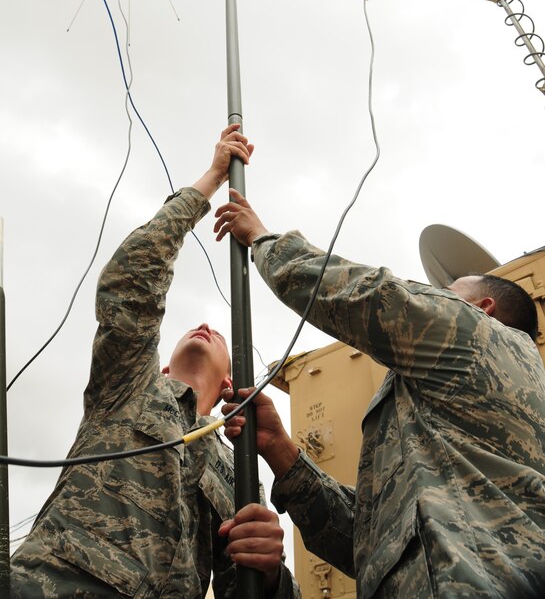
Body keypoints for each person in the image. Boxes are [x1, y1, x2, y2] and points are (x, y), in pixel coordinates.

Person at [10, 128, 299, 599]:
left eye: (218, 333)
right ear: (162, 368)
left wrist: (269, 575)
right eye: (192, 329)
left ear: (229, 379)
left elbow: (239, 587)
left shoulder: (239, 469)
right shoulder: (129, 385)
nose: (205, 325)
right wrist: (211, 179)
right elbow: (131, 279)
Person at [215, 189, 545, 598]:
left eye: (447, 294)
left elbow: (371, 295)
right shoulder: (444, 413)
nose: (434, 299)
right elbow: (371, 543)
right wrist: (281, 450)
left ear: (484, 308)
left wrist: (262, 239)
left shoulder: (482, 335)